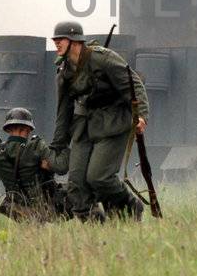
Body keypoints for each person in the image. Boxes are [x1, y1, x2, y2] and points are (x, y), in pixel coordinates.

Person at [49, 20, 150, 220]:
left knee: (98, 177)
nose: (56, 43)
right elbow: (63, 112)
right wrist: (57, 147)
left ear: (75, 41)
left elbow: (133, 84)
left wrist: (141, 115)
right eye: (56, 40)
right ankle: (94, 230)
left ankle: (130, 206)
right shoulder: (64, 73)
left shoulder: (102, 58)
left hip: (112, 122)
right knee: (76, 183)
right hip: (83, 126)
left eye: (61, 39)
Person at [0, 107, 68, 221]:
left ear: (8, 129)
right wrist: (67, 150)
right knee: (75, 189)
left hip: (17, 207)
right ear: (28, 129)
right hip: (47, 206)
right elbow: (61, 168)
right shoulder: (36, 146)